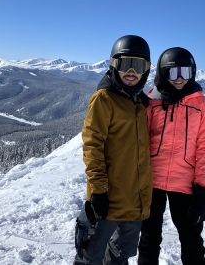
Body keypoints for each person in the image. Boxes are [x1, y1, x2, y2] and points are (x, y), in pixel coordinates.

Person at [74, 35, 153, 265]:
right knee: (91, 255)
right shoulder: (104, 99)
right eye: (124, 63)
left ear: (146, 70)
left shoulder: (140, 102)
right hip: (107, 199)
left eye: (138, 65)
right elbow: (92, 145)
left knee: (121, 254)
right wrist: (98, 190)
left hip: (135, 201)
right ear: (113, 65)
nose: (131, 71)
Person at [137, 47, 205, 265]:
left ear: (193, 73)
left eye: (185, 73)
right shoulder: (151, 101)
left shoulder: (201, 105)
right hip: (151, 181)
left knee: (191, 241)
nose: (180, 79)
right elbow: (139, 140)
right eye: (173, 73)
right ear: (163, 73)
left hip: (185, 183)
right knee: (149, 239)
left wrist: (202, 190)